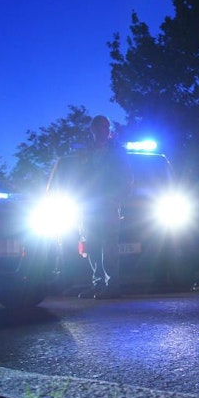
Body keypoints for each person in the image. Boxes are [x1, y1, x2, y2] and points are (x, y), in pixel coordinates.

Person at [79, 115, 132, 299]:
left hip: (108, 203)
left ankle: (112, 285)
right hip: (89, 205)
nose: (104, 130)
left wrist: (117, 197)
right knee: (92, 244)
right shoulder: (86, 152)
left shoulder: (116, 153)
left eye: (107, 127)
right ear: (93, 129)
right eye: (101, 127)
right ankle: (98, 284)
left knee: (109, 244)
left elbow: (127, 177)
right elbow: (78, 177)